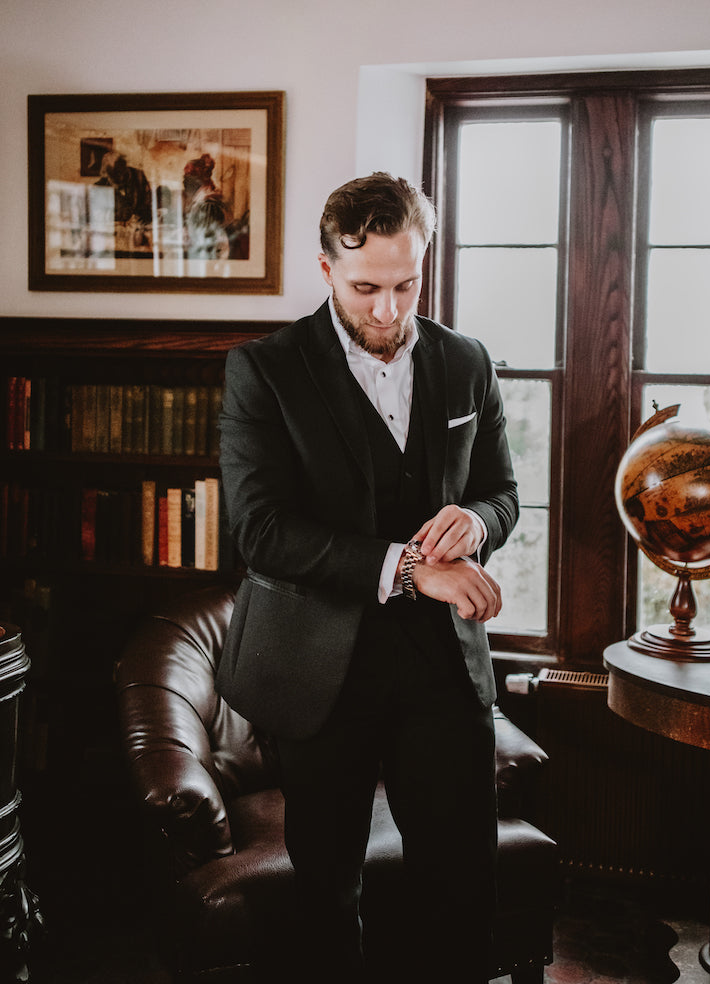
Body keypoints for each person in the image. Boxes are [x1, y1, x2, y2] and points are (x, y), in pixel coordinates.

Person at [216, 172, 518, 983]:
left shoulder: (466, 361)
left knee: (464, 888)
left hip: (444, 672)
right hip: (320, 674)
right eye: (366, 288)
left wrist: (478, 522)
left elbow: (503, 491)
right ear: (325, 271)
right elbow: (263, 531)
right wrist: (416, 569)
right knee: (324, 896)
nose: (389, 309)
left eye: (407, 284)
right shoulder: (264, 372)